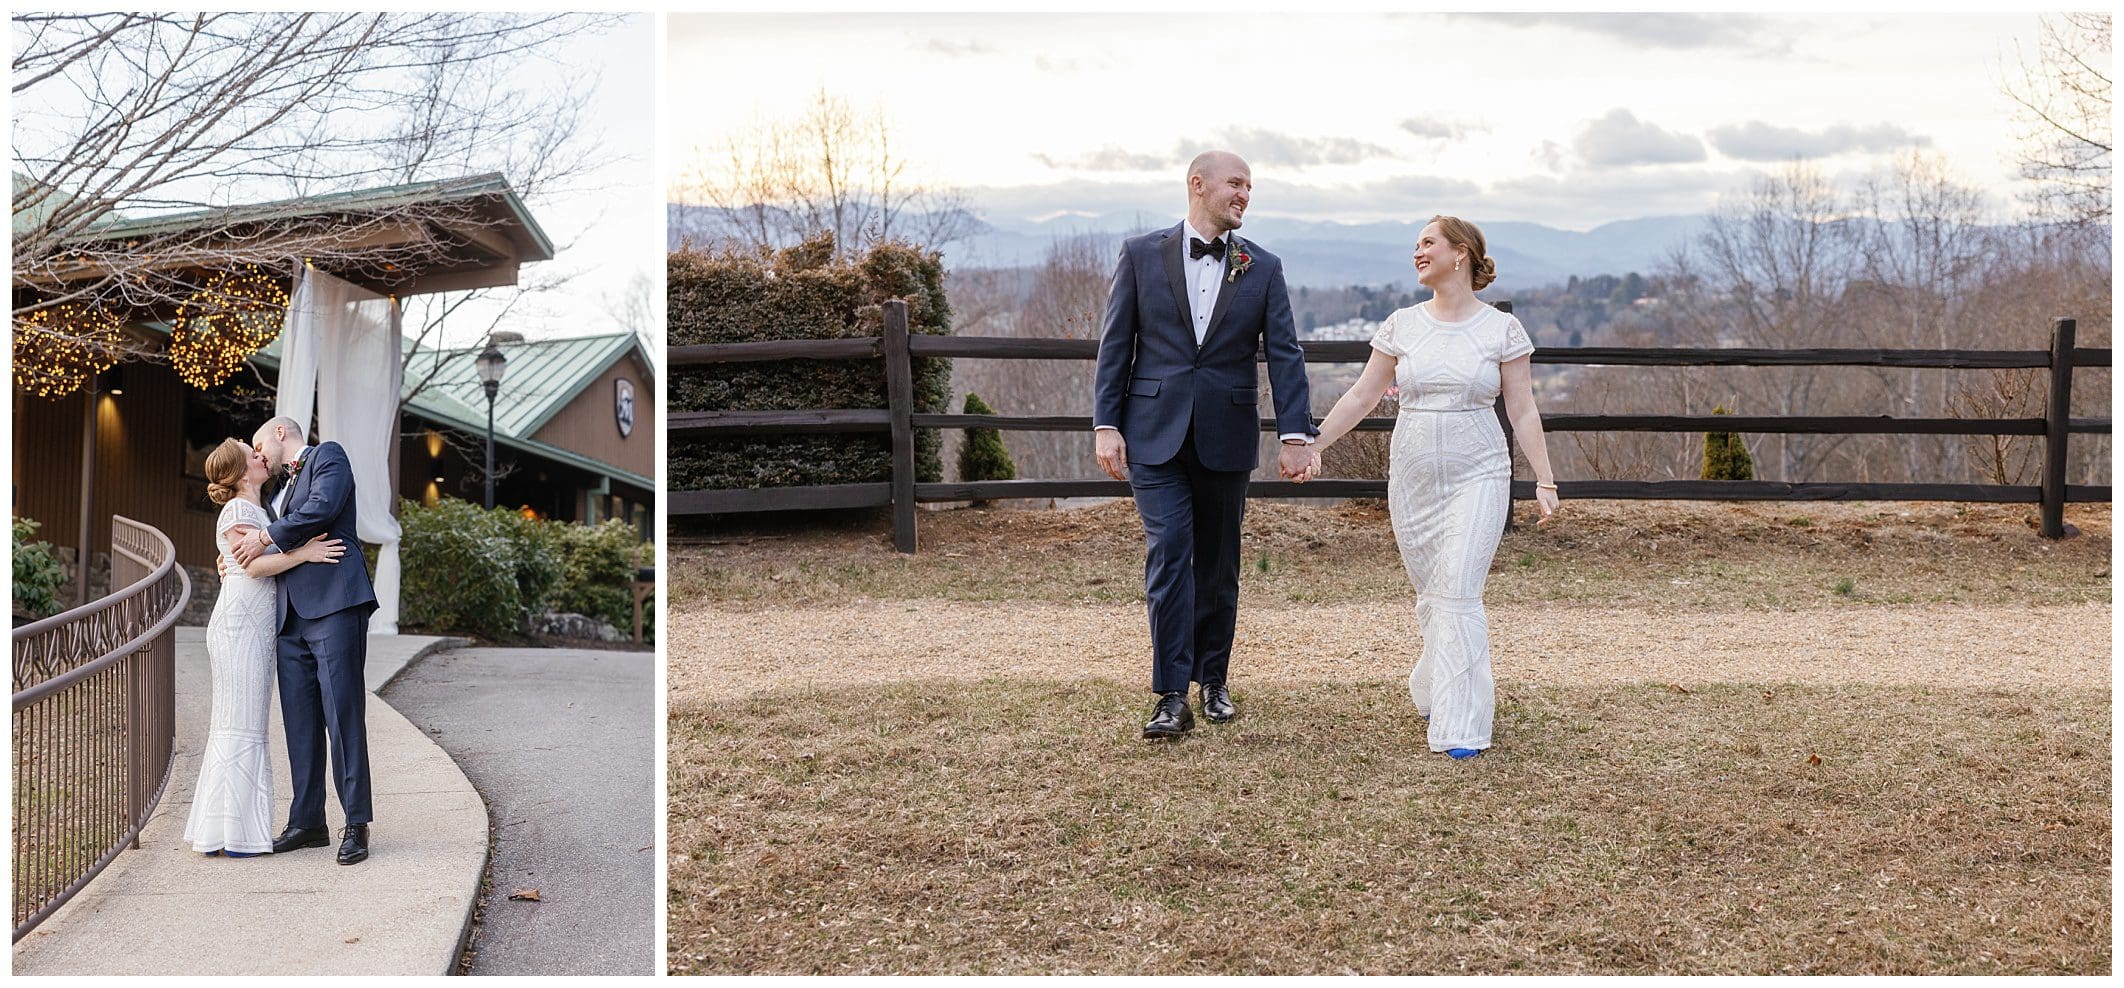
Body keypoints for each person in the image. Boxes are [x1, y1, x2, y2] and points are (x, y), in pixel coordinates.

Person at [1309, 216, 1560, 759]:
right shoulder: (1402, 324)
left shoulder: (1501, 331)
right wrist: (1315, 443)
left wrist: (1543, 477)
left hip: (1480, 474)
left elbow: (1521, 407)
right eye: (1417, 244)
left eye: (1428, 243)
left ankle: (1461, 725)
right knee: (1433, 593)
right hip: (1414, 478)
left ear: (1461, 253)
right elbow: (1361, 396)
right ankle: (1434, 682)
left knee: (1458, 592)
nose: (1417, 251)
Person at [1092, 150, 1319, 740]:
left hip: (1227, 434)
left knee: (1219, 563)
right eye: (1236, 184)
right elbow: (1116, 344)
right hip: (1152, 435)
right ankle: (1170, 695)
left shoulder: (1262, 266)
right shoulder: (1141, 254)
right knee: (1170, 553)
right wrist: (1105, 424)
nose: (1245, 195)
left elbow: (1286, 354)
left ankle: (1212, 678)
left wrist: (1296, 434)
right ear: (1198, 185)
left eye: (1251, 187)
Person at [185, 439, 345, 857]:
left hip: (256, 625)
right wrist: (305, 554)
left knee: (249, 723)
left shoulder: (263, 510)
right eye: (251, 453)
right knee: (238, 723)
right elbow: (252, 565)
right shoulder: (239, 510)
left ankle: (231, 830)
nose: (261, 456)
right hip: (240, 625)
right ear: (241, 472)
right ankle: (231, 835)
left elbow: (247, 554)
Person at [231, 416, 379, 864]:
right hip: (289, 617)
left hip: (335, 602)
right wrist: (236, 562)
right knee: (300, 723)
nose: (259, 456)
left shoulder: (327, 456)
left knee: (343, 715)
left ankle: (356, 822)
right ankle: (308, 821)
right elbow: (277, 547)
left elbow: (321, 509)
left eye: (260, 445)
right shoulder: (275, 493)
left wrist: (263, 537)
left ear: (280, 434)